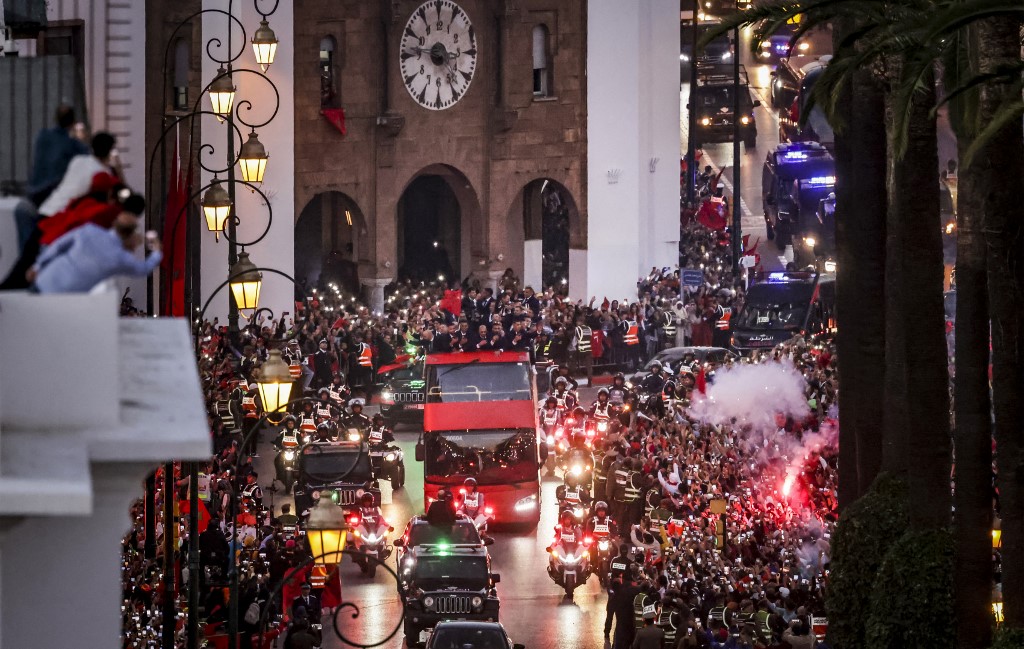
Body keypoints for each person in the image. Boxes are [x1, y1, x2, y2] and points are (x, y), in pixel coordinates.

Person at [29, 215, 162, 294]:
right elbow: (143, 269)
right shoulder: (119, 258)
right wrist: (157, 252)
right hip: (67, 295)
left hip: (47, 278)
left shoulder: (90, 230)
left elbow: (58, 246)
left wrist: (37, 266)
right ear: (130, 235)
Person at [25, 105, 89, 206]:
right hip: (53, 193)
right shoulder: (72, 143)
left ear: (56, 119)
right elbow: (87, 160)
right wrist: (81, 139)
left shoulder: (42, 135)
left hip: (34, 192)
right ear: (73, 122)